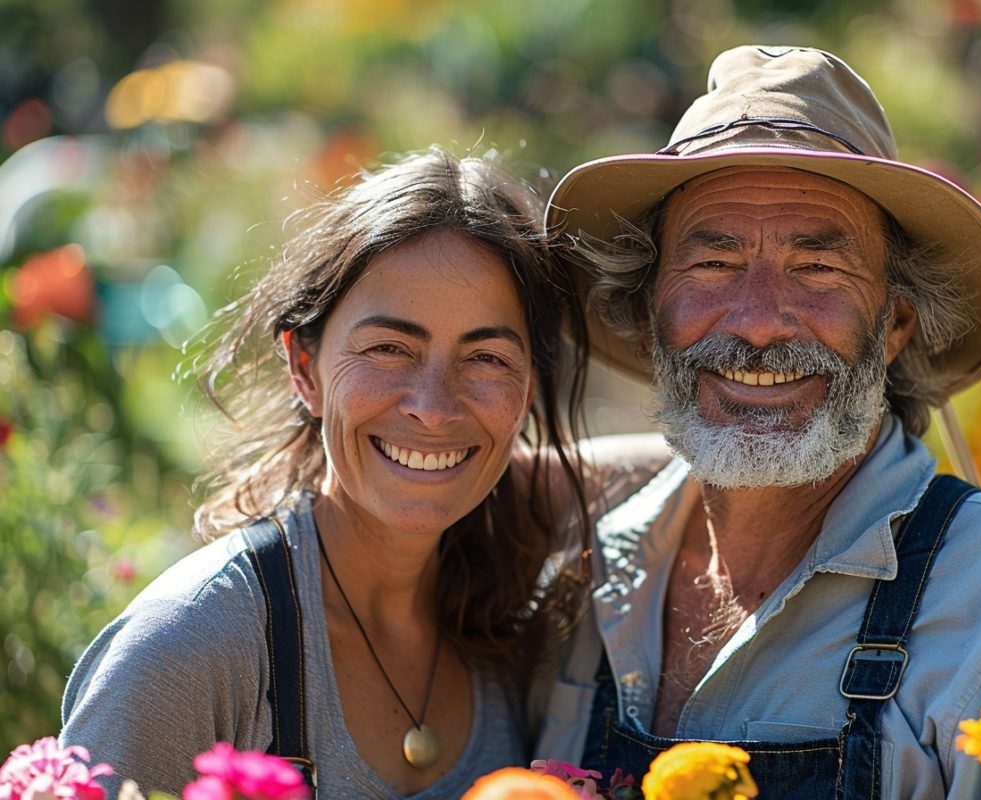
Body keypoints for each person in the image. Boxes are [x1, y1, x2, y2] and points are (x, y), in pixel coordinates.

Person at [532, 46, 981, 798]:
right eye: (715, 265)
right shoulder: (586, 574)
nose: (760, 324)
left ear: (894, 324)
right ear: (646, 314)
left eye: (817, 268)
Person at [60, 147, 593, 798]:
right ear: (304, 370)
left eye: (485, 359)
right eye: (390, 348)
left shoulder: (510, 628)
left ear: (528, 390)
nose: (432, 407)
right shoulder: (189, 651)